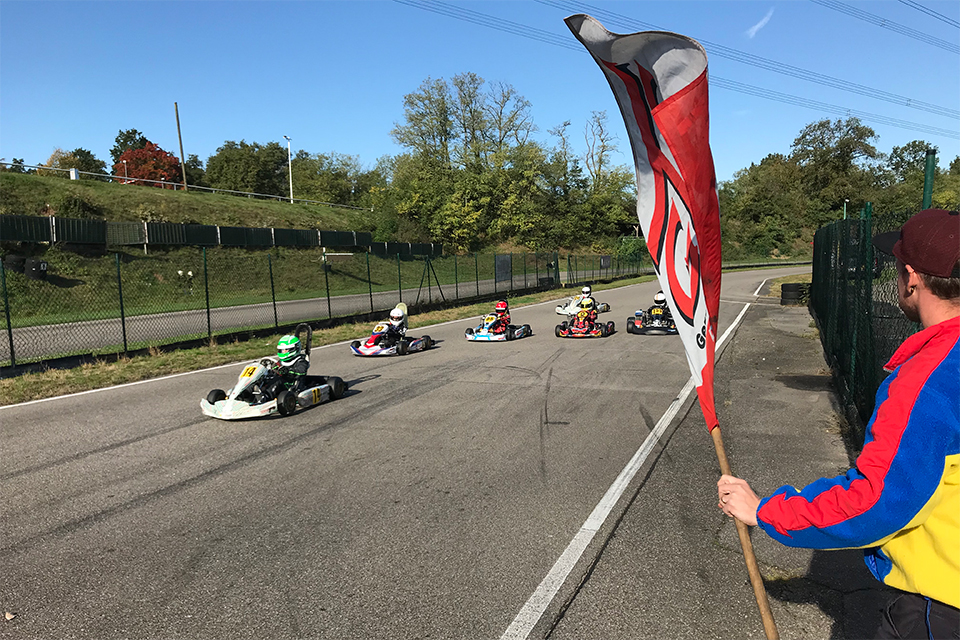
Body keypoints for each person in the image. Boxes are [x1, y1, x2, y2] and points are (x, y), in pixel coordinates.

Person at [718, 208, 960, 639]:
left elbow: (877, 499)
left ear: (911, 278)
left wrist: (766, 512)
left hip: (941, 607)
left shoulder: (928, 380)